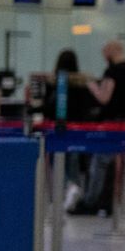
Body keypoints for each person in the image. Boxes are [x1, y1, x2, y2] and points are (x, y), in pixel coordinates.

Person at [80, 39, 125, 215]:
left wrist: (92, 87)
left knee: (100, 164)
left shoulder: (112, 72)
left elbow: (104, 98)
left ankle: (92, 202)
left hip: (111, 126)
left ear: (110, 52)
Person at [43, 50, 99, 212]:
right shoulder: (82, 83)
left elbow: (48, 107)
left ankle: (61, 192)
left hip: (57, 128)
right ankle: (73, 187)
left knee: (56, 162)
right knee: (73, 162)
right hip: (78, 128)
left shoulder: (54, 82)